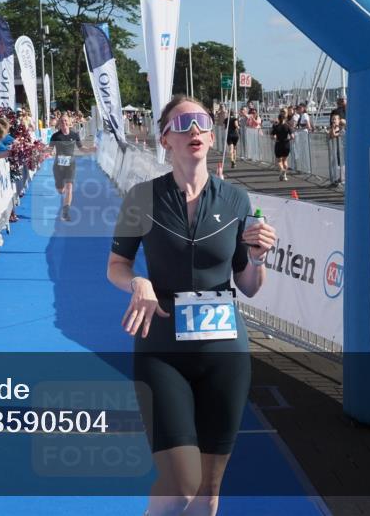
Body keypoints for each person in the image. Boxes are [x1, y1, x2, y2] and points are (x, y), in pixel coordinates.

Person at [107, 95, 276, 516]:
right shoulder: (141, 198)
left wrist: (258, 260)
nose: (194, 129)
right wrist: (138, 282)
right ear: (165, 139)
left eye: (201, 121)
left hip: (225, 355)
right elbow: (116, 266)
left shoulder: (236, 200)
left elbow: (249, 285)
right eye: (182, 123)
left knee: (209, 491)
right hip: (162, 350)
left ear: (212, 133)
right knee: (183, 484)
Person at [48, 114, 83, 221]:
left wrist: (91, 149)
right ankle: (60, 187)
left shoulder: (75, 135)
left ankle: (65, 213)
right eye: (62, 121)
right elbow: (49, 149)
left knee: (69, 188)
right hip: (58, 167)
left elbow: (82, 148)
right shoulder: (55, 136)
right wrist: (41, 151)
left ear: (69, 122)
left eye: (66, 120)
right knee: (60, 190)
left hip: (71, 166)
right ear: (59, 123)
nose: (64, 123)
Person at [271, 110, 293, 181]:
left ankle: (282, 170)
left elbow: (272, 136)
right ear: (285, 119)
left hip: (278, 143)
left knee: (279, 161)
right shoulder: (287, 126)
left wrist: (274, 138)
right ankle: (284, 175)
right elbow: (292, 136)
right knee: (285, 160)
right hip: (286, 144)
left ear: (278, 118)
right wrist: (289, 139)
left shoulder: (276, 126)